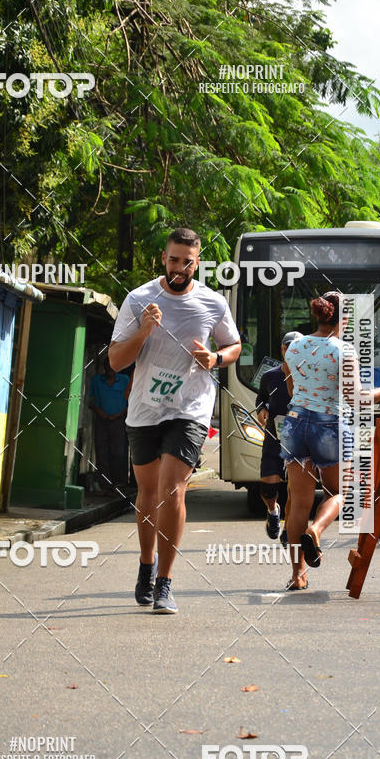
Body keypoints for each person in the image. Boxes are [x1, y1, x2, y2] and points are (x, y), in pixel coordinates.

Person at [108, 227, 241, 613]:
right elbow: (116, 361)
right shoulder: (138, 300)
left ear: (197, 263)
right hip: (145, 409)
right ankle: (146, 565)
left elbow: (233, 345)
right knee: (148, 493)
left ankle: (165, 583)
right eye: (173, 259)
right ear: (162, 258)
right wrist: (145, 329)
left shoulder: (213, 303)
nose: (179, 267)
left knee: (173, 489)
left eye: (187, 261)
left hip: (190, 407)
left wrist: (216, 359)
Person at [280, 291, 380, 591]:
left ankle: (298, 575)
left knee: (298, 502)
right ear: (343, 319)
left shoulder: (294, 346)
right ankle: (317, 530)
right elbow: (356, 398)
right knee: (341, 492)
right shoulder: (343, 350)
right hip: (328, 424)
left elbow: (290, 384)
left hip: (295, 423)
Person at [255, 332, 302, 543]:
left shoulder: (309, 374)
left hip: (300, 439)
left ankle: (289, 530)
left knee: (296, 487)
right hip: (274, 437)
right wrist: (261, 410)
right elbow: (261, 399)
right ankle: (273, 511)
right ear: (282, 349)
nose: (291, 350)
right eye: (287, 347)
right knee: (268, 486)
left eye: (296, 346)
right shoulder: (270, 376)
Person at [88, 357, 130, 494]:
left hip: (119, 420)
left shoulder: (124, 380)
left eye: (113, 366)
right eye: (107, 365)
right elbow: (90, 401)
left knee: (118, 452)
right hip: (102, 420)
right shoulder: (96, 380)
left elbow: (131, 400)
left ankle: (119, 482)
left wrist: (119, 414)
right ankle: (105, 483)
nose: (110, 368)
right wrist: (101, 412)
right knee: (102, 452)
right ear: (104, 367)